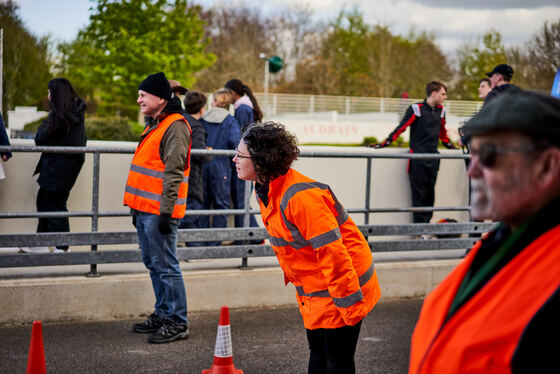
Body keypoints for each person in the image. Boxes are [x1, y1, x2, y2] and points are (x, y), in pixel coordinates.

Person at [409, 90, 560, 373]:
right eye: (472, 153)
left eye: (489, 154)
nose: (472, 170)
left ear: (547, 166)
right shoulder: (505, 240)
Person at [234, 121, 381, 374]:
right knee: (319, 352)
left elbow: (334, 255)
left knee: (337, 359)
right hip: (318, 286)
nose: (234, 159)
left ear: (260, 161)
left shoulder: (301, 198)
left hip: (344, 284)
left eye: (239, 154)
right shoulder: (268, 189)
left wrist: (350, 308)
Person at [124, 72, 191, 344]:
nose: (138, 99)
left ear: (160, 99)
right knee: (154, 263)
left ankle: (177, 321)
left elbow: (174, 171)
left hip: (159, 211)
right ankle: (164, 313)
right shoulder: (156, 122)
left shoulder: (175, 125)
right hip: (145, 209)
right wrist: (136, 209)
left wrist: (165, 212)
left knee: (165, 266)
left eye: (143, 95)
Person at [372, 81, 456, 224]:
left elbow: (443, 133)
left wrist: (451, 147)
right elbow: (401, 127)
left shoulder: (442, 110)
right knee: (418, 194)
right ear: (434, 93)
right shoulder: (416, 108)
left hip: (434, 158)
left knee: (430, 194)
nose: (445, 97)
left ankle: (426, 226)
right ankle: (419, 228)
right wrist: (385, 143)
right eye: (443, 94)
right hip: (417, 158)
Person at [19, 78, 87, 254]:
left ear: (56, 95)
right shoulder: (74, 114)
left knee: (54, 204)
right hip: (63, 167)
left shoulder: (62, 116)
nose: (48, 96)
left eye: (50, 92)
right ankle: (43, 242)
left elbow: (40, 138)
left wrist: (47, 121)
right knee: (46, 201)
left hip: (59, 168)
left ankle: (62, 247)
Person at [199, 88, 240, 245]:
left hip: (202, 166)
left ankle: (199, 242)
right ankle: (215, 244)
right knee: (221, 206)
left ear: (215, 102)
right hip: (221, 168)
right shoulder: (230, 121)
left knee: (202, 205)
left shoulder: (202, 120)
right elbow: (235, 144)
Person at [224, 79, 263, 235]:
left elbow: (241, 137)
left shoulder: (243, 109)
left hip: (246, 160)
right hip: (246, 159)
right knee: (241, 200)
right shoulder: (244, 107)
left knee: (241, 201)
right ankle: (247, 235)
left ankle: (251, 235)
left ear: (233, 93)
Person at [178, 91, 212, 246]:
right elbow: (198, 152)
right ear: (202, 109)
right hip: (191, 175)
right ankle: (166, 233)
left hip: (177, 172)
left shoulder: (180, 120)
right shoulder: (197, 126)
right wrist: (208, 153)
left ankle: (193, 249)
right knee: (193, 207)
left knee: (187, 209)